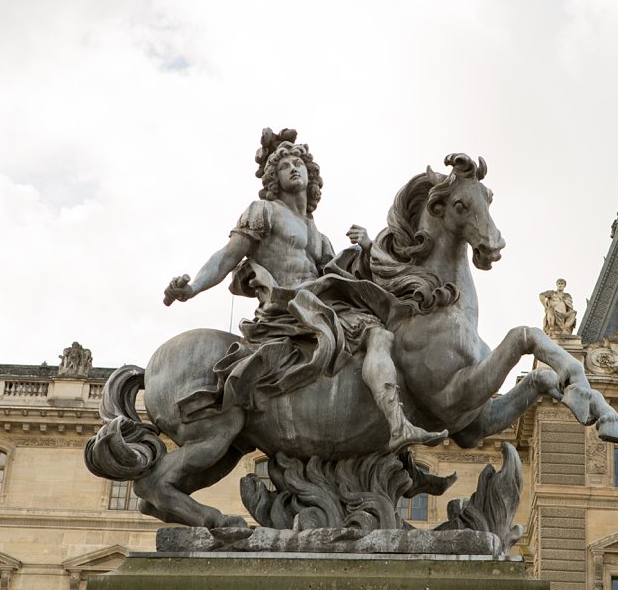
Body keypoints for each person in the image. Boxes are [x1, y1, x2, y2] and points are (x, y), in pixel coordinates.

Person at [164, 130, 444, 451]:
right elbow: (227, 257)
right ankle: (397, 424)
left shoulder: (318, 235)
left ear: (311, 176)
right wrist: (193, 288)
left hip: (319, 305)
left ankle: (396, 423)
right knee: (375, 334)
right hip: (288, 309)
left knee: (382, 332)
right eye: (285, 166)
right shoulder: (263, 212)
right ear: (274, 179)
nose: (294, 168)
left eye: (299, 163)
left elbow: (341, 276)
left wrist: (367, 247)